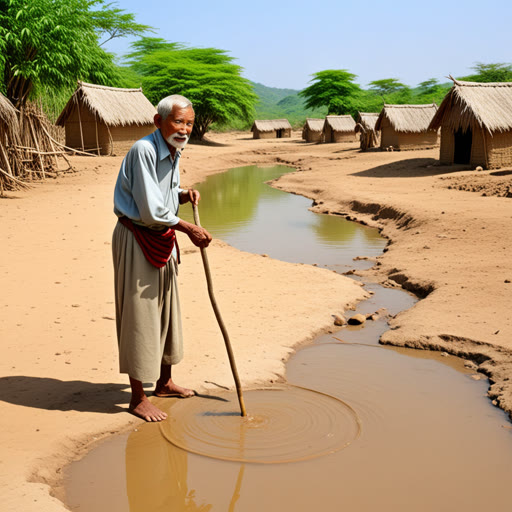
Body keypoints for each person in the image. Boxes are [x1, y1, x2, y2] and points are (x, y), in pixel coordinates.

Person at [112, 94, 212, 422]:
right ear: (159, 122)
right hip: (138, 236)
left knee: (168, 309)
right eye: (177, 122)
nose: (184, 129)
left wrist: (182, 194)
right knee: (141, 314)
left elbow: (163, 195)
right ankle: (138, 397)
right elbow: (149, 208)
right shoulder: (144, 150)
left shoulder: (174, 150)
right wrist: (188, 229)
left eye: (189, 123)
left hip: (161, 236)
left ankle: (164, 382)